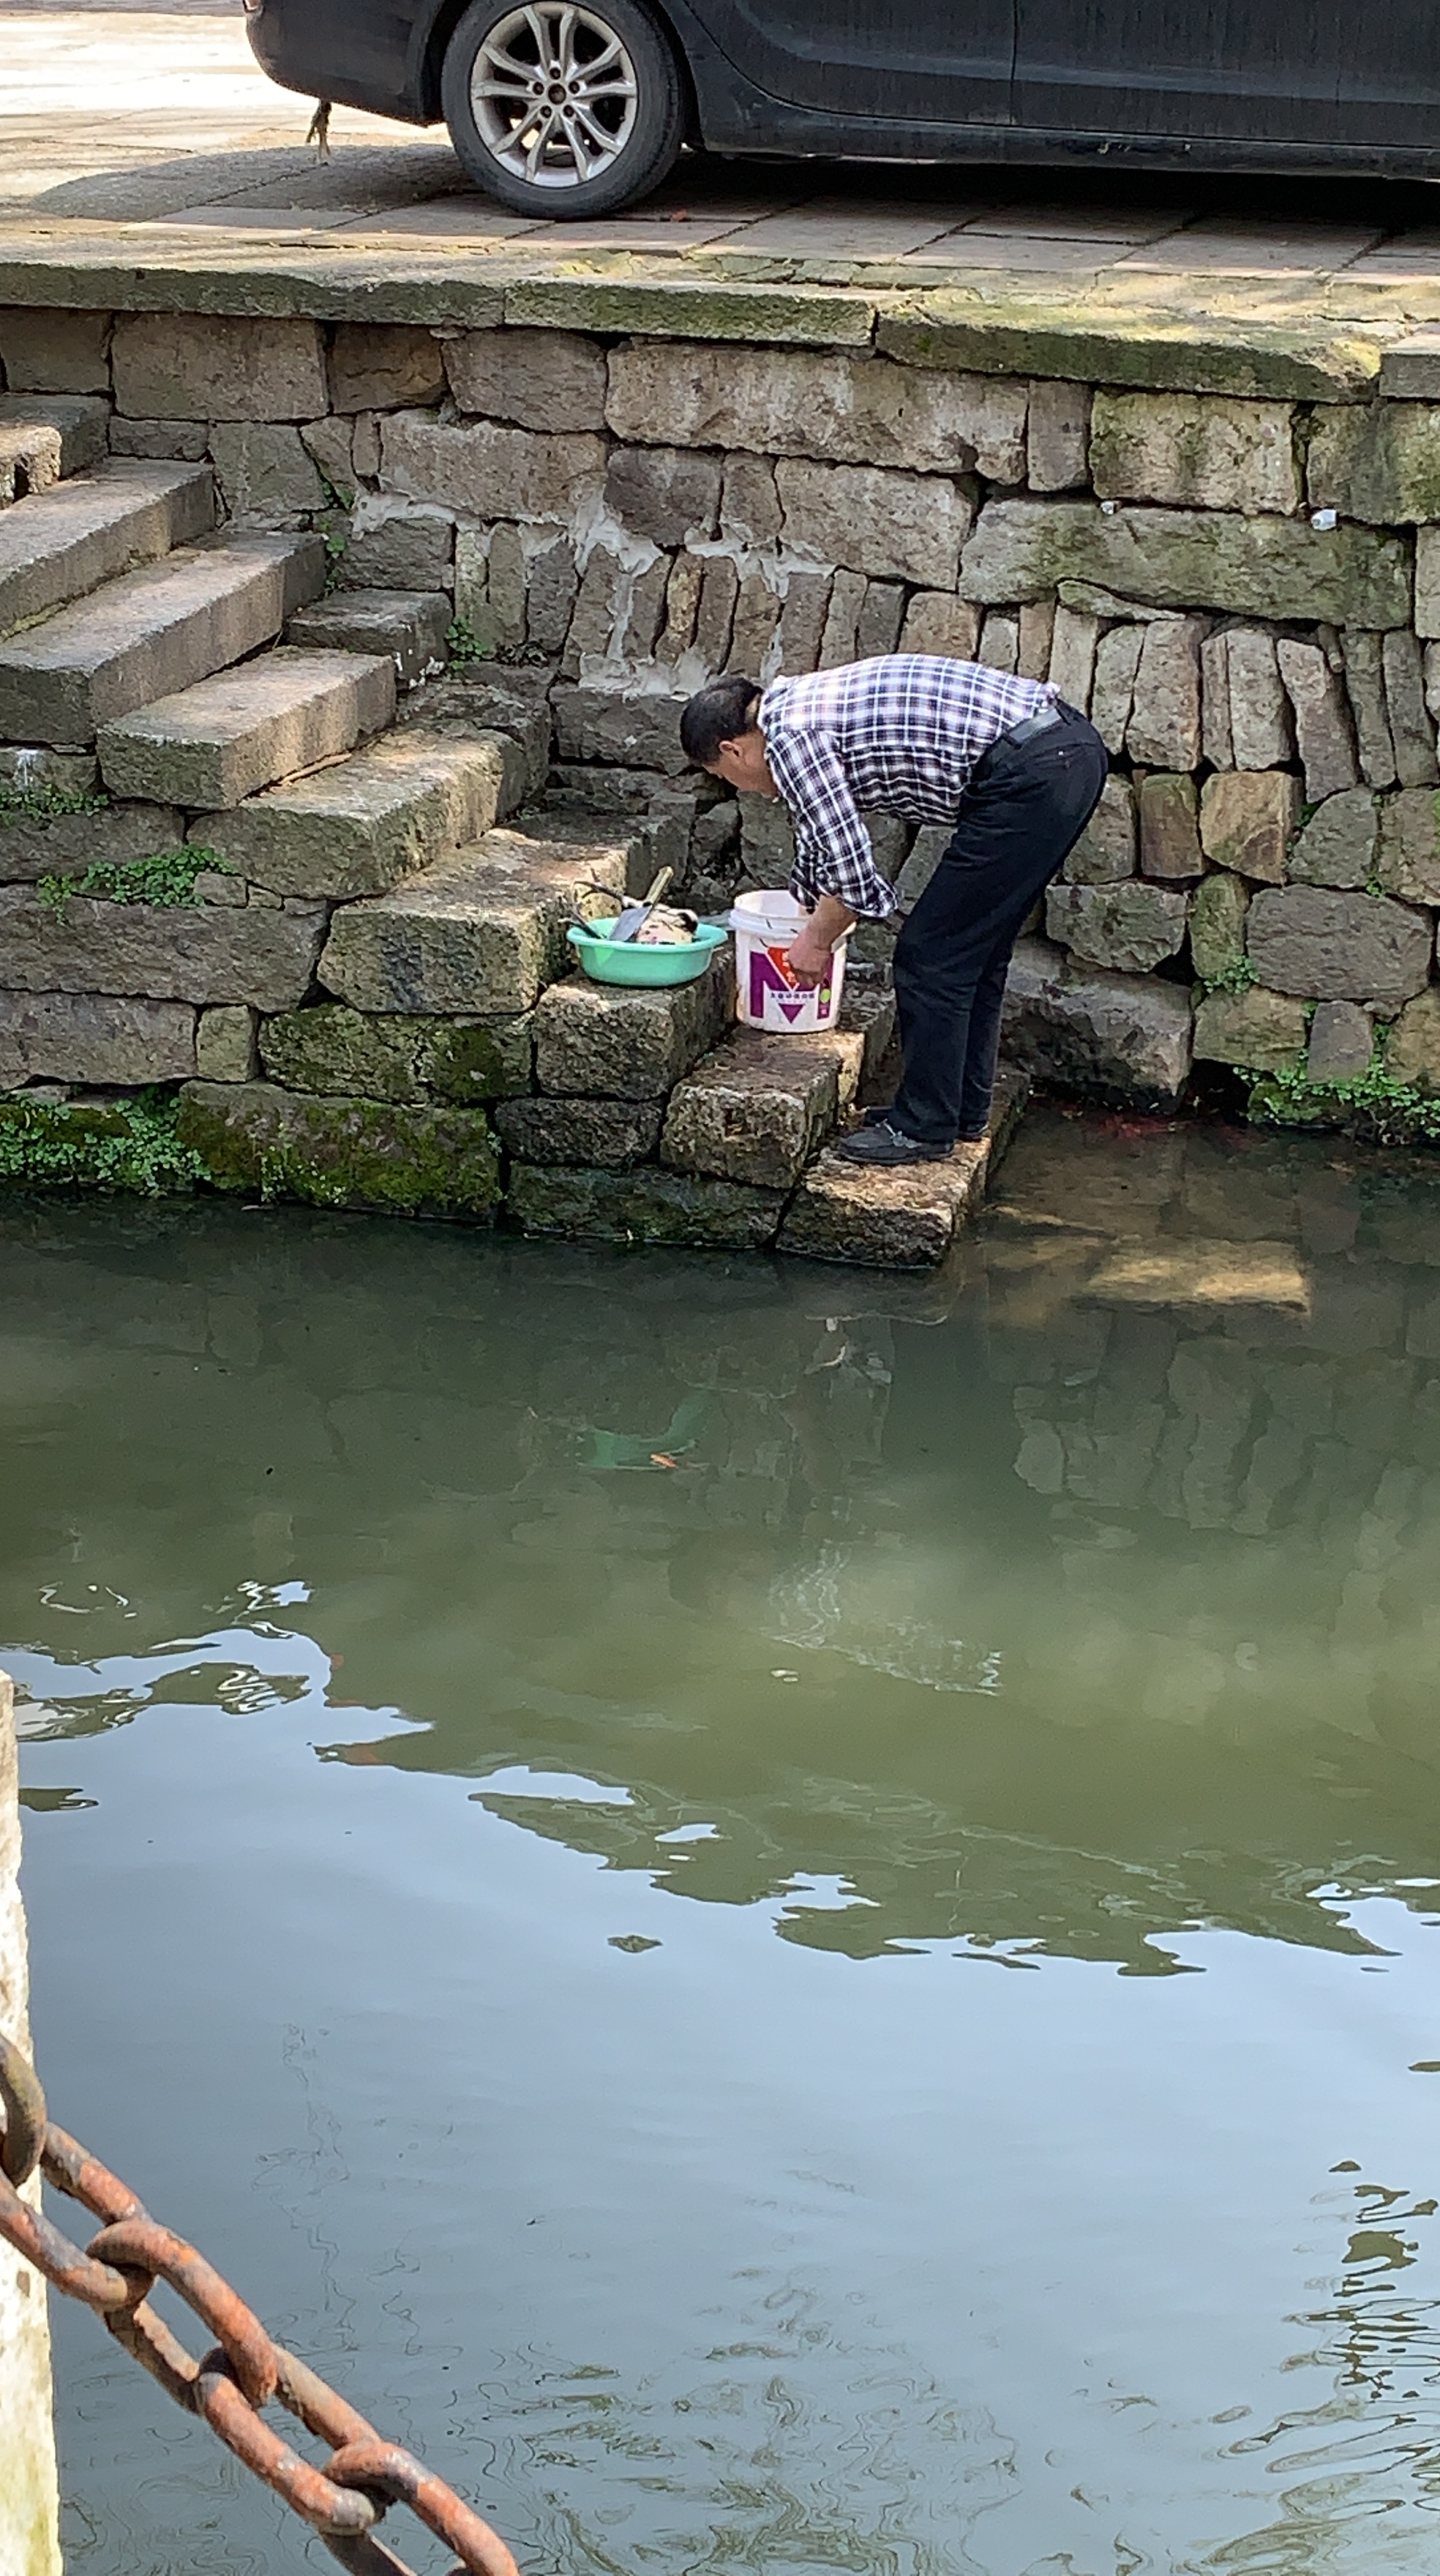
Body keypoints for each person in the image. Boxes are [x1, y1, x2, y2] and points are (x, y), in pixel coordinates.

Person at [679, 654, 1107, 1167]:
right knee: (974, 955)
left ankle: (923, 1128)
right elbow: (820, 840)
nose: (736, 786)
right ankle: (959, 1110)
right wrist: (805, 910)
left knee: (930, 955)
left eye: (723, 775)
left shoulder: (791, 739)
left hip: (1034, 771)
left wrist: (815, 942)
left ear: (734, 750)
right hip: (1060, 751)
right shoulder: (792, 709)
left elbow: (853, 879)